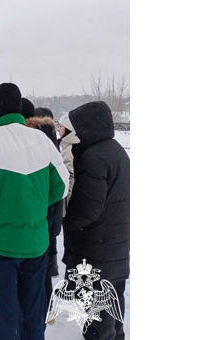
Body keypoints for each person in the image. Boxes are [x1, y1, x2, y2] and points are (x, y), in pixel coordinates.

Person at [0, 83, 69, 340]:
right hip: (35, 244)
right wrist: (34, 204)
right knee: (33, 318)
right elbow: (62, 185)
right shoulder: (41, 141)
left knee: (5, 320)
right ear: (20, 109)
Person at [62, 102, 130, 340]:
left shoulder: (93, 158)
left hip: (95, 248)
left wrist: (67, 221)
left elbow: (89, 208)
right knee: (114, 304)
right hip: (116, 243)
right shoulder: (115, 150)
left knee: (97, 318)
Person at [25, 107, 62, 281]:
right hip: (52, 202)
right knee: (50, 236)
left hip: (41, 200)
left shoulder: (36, 139)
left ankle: (47, 269)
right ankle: (52, 265)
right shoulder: (52, 138)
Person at [57, 113, 80, 217]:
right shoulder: (68, 147)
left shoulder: (69, 150)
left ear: (68, 128)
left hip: (68, 205)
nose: (58, 129)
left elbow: (71, 179)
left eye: (61, 126)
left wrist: (66, 209)